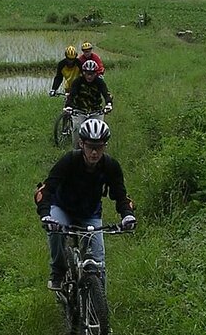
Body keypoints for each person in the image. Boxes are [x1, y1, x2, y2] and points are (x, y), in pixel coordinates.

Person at [34, 119, 136, 290]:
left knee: (98, 263)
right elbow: (46, 189)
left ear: (105, 145)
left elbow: (121, 195)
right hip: (63, 208)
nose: (94, 152)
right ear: (81, 144)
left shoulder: (110, 166)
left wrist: (127, 215)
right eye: (90, 147)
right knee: (56, 234)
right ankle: (58, 271)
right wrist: (46, 214)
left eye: (100, 147)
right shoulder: (69, 161)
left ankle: (98, 304)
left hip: (90, 214)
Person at [64, 60, 113, 148]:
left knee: (99, 131)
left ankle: (100, 151)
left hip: (96, 111)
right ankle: (76, 151)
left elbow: (106, 93)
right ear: (83, 73)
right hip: (79, 110)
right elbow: (71, 95)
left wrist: (108, 104)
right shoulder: (77, 82)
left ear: (96, 73)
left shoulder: (99, 82)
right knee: (76, 128)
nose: (89, 76)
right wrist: (68, 106)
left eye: (92, 73)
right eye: (87, 73)